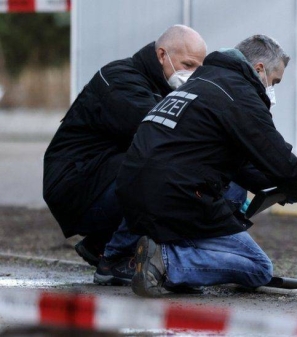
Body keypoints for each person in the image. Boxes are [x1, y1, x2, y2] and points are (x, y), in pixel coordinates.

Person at [115, 35, 297, 297]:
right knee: (257, 269)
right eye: (274, 82)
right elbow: (278, 158)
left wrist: (282, 188)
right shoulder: (238, 93)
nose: (272, 89)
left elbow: (241, 165)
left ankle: (147, 259)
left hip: (136, 195)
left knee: (216, 248)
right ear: (259, 70)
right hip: (179, 197)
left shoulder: (200, 84)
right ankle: (167, 262)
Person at [43, 25, 208, 285]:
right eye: (188, 64)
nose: (193, 74)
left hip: (101, 176)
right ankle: (114, 259)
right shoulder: (121, 80)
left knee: (175, 171)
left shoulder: (164, 87)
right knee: (160, 171)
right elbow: (160, 136)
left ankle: (101, 245)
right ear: (162, 55)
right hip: (76, 184)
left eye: (199, 68)